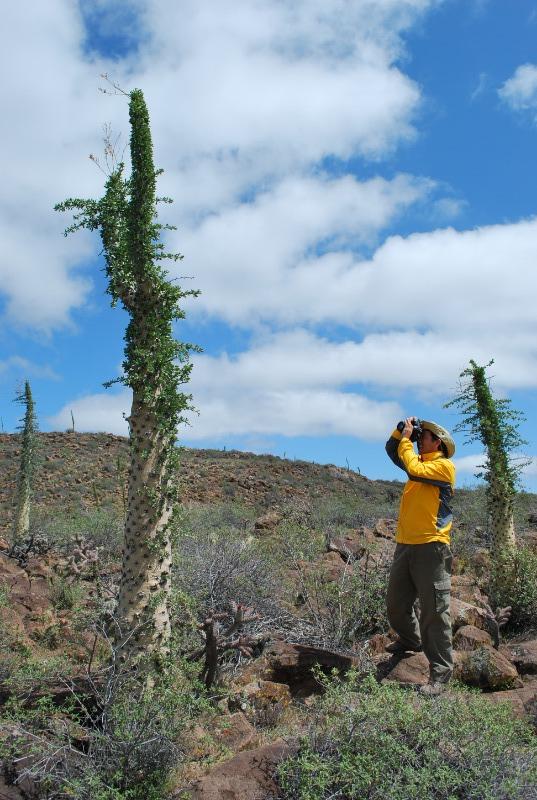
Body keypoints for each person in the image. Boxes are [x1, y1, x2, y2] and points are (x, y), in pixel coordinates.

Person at [385, 417, 456, 696]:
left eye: (422, 436)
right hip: (406, 545)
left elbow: (413, 468)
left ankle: (440, 674)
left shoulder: (443, 467)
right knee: (395, 604)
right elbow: (393, 452)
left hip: (432, 546)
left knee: (434, 612)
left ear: (437, 442)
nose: (418, 439)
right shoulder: (419, 464)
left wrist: (406, 440)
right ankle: (411, 640)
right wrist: (400, 432)